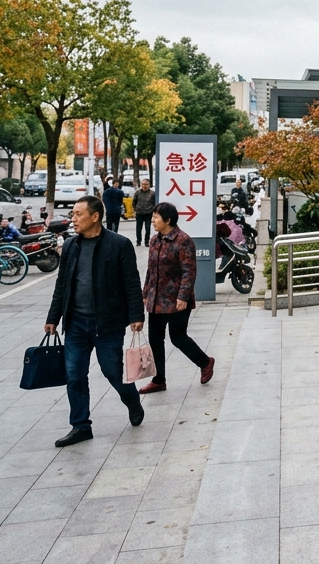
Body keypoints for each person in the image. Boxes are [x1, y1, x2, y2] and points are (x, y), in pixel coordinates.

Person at [44, 196, 146, 447]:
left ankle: (132, 400)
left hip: (107, 323)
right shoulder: (70, 245)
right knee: (75, 375)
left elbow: (131, 282)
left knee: (112, 371)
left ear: (95, 216)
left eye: (78, 214)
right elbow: (62, 284)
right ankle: (80, 426)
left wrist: (136, 315)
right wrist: (53, 317)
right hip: (76, 323)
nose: (73, 219)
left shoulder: (119, 244)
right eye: (73, 214)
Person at [139, 202, 213, 394]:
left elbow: (189, 271)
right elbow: (150, 270)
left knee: (178, 337)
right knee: (155, 340)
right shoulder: (155, 240)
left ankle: (205, 362)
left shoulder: (183, 240)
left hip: (177, 300)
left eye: (156, 217)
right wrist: (145, 293)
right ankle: (159, 379)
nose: (152, 220)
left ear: (168, 220)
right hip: (156, 299)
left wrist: (183, 296)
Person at [132, 180, 156, 246]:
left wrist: (153, 211)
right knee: (138, 228)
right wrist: (135, 210)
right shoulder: (137, 193)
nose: (144, 186)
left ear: (149, 185)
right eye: (143, 184)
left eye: (146, 184)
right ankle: (138, 241)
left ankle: (147, 241)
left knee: (147, 228)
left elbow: (155, 203)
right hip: (139, 213)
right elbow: (134, 202)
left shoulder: (152, 193)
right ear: (141, 185)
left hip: (148, 213)